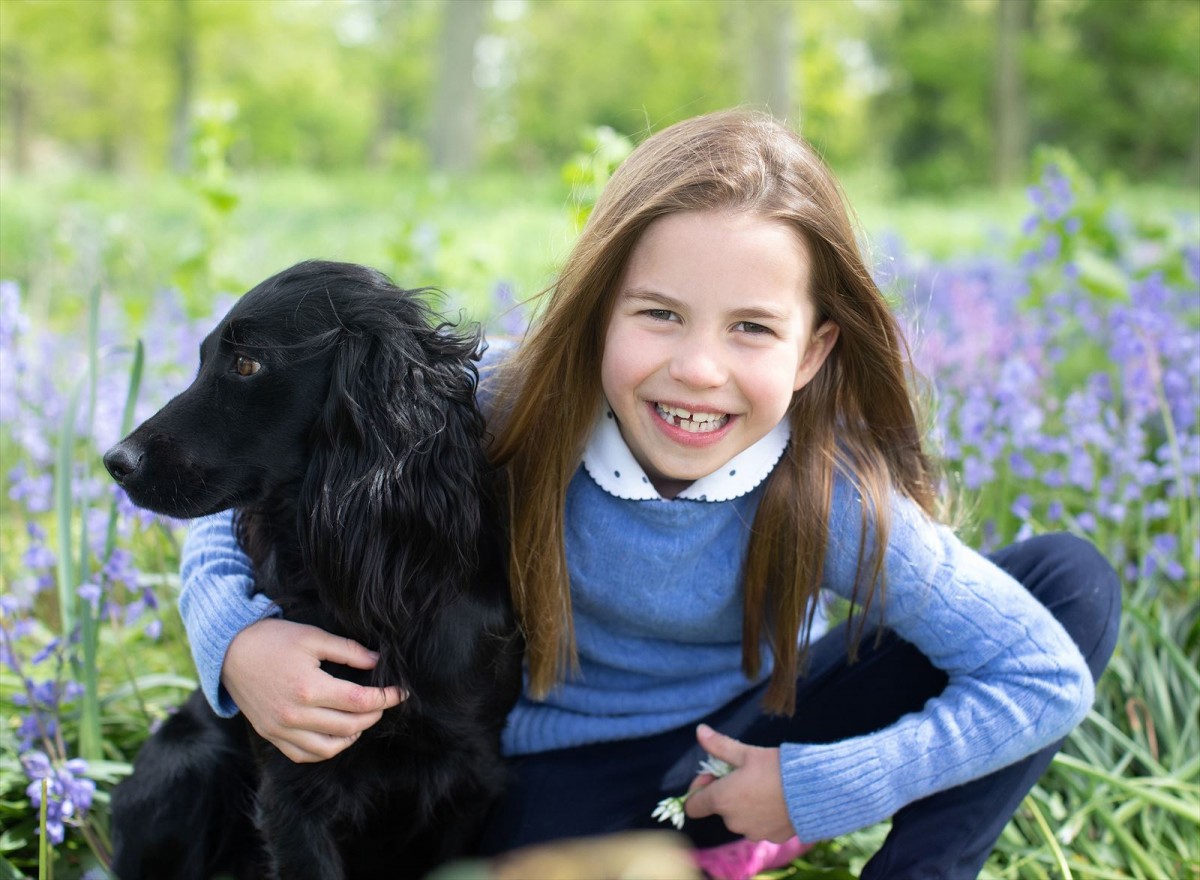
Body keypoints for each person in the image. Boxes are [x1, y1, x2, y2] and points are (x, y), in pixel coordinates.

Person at [177, 110, 1121, 879]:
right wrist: (238, 641)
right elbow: (247, 476)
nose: (698, 368)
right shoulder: (511, 405)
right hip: (548, 779)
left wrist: (820, 783)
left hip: (743, 741)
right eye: (660, 314)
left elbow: (1042, 676)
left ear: (813, 353)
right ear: (598, 312)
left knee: (1068, 582)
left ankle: (850, 856)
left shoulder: (825, 492)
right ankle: (702, 851)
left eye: (753, 328)